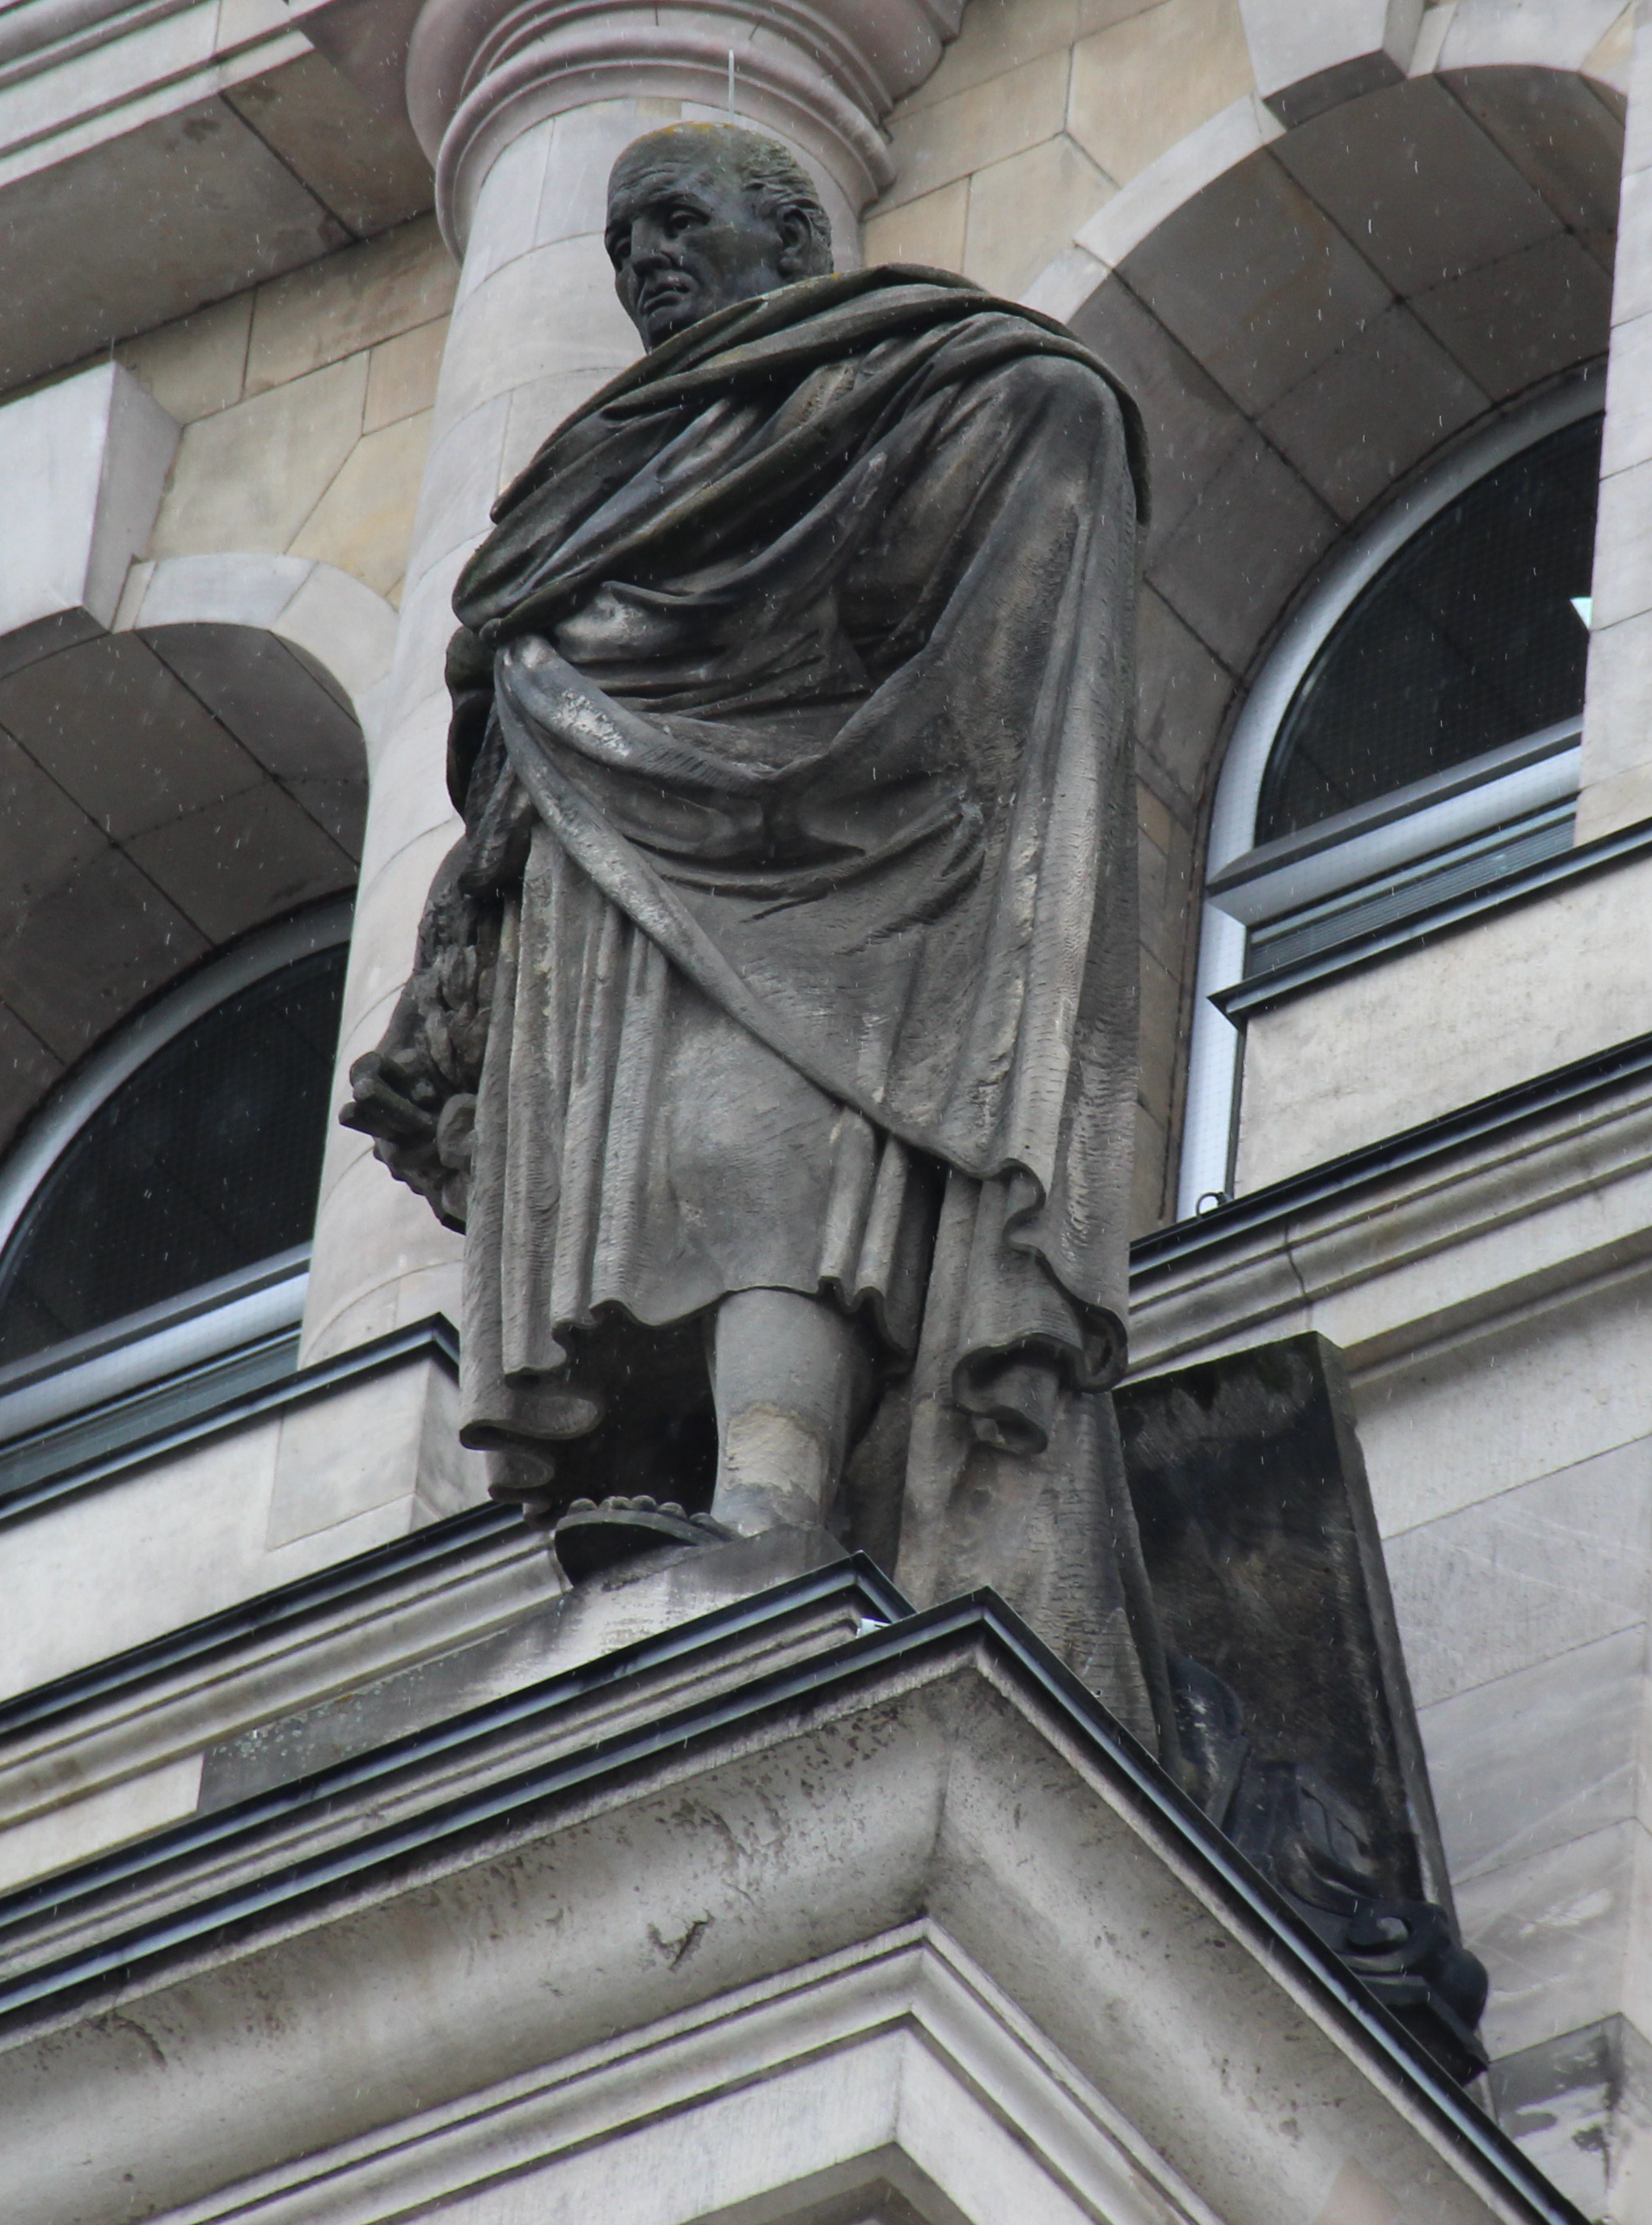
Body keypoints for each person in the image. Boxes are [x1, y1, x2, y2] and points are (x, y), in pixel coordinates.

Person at [345, 118, 1160, 1729]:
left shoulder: (898, 384)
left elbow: (1055, 426)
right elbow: (507, 691)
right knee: (649, 1208)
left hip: (825, 878)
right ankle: (661, 1508)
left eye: (673, 218)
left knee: (774, 1184)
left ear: (788, 235)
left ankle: (775, 1503)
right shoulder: (589, 479)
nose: (642, 255)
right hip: (610, 896)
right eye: (619, 237)